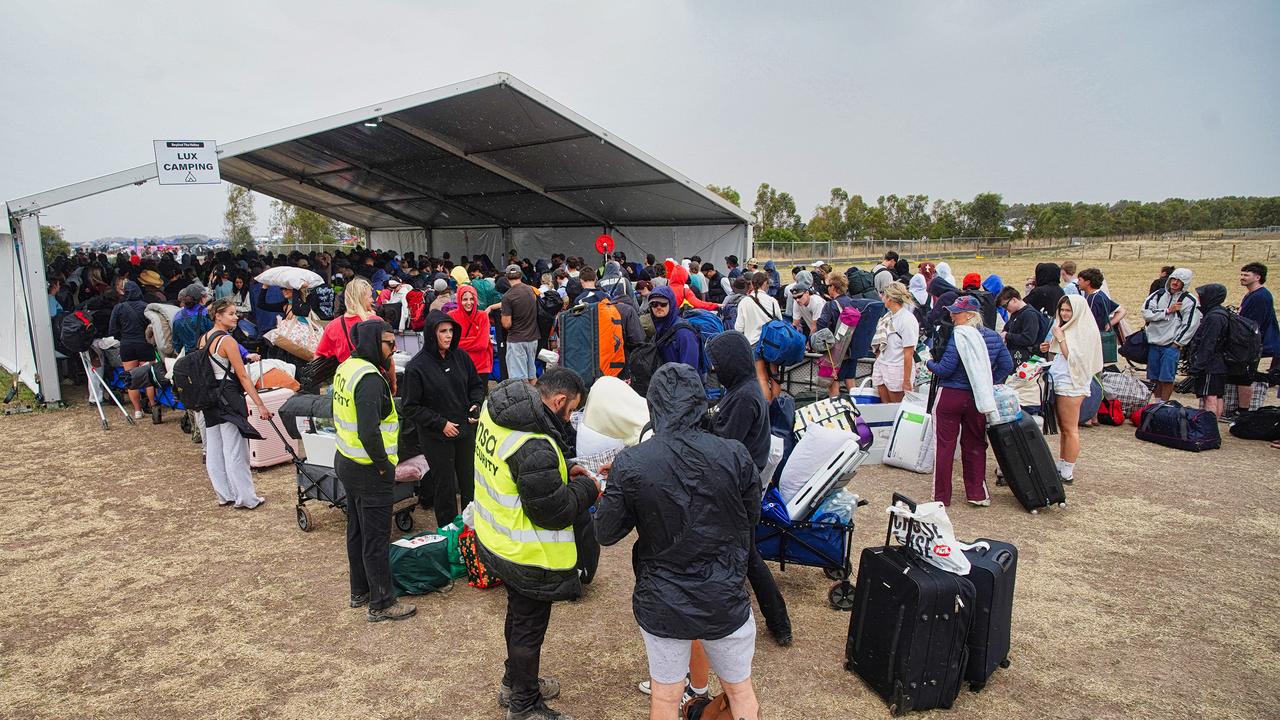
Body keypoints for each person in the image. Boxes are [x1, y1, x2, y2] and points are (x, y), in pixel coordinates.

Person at [594, 363, 762, 720]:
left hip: (665, 598)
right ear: (700, 403)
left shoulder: (633, 462)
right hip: (721, 594)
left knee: (667, 699)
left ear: (653, 406)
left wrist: (618, 489)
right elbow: (751, 519)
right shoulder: (734, 455)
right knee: (740, 692)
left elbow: (606, 531)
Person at [473, 369, 599, 720]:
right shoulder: (534, 444)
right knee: (529, 628)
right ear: (559, 401)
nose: (571, 418)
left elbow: (524, 478)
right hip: (527, 553)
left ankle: (514, 683)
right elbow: (555, 511)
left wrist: (561, 474)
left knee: (517, 617)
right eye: (572, 410)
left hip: (497, 538)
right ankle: (524, 706)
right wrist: (589, 488)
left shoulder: (497, 408)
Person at [705, 330, 793, 647]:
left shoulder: (743, 396)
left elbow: (724, 445)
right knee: (745, 555)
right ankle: (774, 621)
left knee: (748, 556)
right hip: (742, 484)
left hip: (740, 489)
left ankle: (779, 623)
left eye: (717, 363)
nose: (713, 369)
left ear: (731, 362)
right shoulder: (742, 388)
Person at [333, 318, 417, 622]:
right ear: (371, 342)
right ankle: (381, 602)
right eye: (388, 343)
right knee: (376, 537)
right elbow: (369, 432)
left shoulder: (347, 367)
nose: (393, 349)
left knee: (357, 529)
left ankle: (361, 590)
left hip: (347, 460)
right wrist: (385, 467)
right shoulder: (369, 379)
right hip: (369, 468)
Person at [925, 296, 1013, 507]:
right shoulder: (992, 337)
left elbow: (946, 368)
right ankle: (977, 493)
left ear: (970, 315)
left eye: (957, 312)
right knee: (975, 444)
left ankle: (941, 496)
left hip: (951, 393)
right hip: (978, 396)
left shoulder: (958, 336)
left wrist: (928, 363)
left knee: (944, 446)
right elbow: (1006, 364)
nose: (953, 316)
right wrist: (988, 382)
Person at [401, 311, 486, 528]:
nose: (448, 336)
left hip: (465, 431)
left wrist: (476, 404)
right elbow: (410, 406)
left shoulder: (461, 357)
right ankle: (448, 533)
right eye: (442, 331)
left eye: (451, 331)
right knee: (445, 487)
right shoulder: (417, 366)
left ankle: (471, 530)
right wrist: (440, 424)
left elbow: (476, 385)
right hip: (436, 437)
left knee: (469, 483)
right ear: (431, 333)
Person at [199, 298, 272, 510]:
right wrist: (260, 404)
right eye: (231, 314)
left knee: (215, 447)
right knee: (235, 448)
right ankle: (246, 497)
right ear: (218, 316)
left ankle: (224, 493)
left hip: (210, 398)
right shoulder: (228, 342)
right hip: (229, 395)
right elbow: (243, 375)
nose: (236, 317)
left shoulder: (203, 339)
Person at [1044, 295, 1103, 484]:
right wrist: (1050, 345)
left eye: (1068, 310)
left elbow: (1077, 360)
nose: (1064, 313)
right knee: (1064, 427)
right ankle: (1062, 464)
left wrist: (1060, 340)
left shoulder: (1085, 330)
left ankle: (1067, 469)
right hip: (1062, 379)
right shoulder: (1067, 327)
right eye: (1062, 310)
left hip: (1072, 384)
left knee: (1070, 428)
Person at [1141, 268, 1200, 401]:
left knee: (1167, 377)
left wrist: (1178, 343)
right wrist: (1167, 311)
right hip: (1154, 342)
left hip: (1171, 345)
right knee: (1153, 376)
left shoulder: (1189, 300)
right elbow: (1146, 313)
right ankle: (1156, 403)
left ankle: (1163, 404)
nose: (1175, 283)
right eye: (1173, 279)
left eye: (1179, 280)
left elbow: (1190, 324)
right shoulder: (1158, 294)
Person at [1231, 262, 1280, 420]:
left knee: (1245, 376)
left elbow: (1253, 324)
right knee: (1242, 376)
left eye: (1247, 275)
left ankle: (1243, 411)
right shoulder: (1251, 294)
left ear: (1258, 277)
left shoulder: (1261, 296)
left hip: (1253, 343)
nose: (1242, 278)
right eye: (1242, 274)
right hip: (1248, 342)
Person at [108, 281, 158, 421]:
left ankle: (137, 410)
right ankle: (153, 406)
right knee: (149, 376)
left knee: (131, 378)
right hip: (145, 344)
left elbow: (112, 329)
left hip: (127, 345)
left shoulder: (118, 308)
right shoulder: (146, 308)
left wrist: (123, 337)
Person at [734, 271, 784, 401]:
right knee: (775, 376)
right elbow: (780, 322)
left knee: (761, 377)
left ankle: (766, 410)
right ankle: (777, 407)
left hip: (754, 344)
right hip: (772, 343)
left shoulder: (745, 302)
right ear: (765, 283)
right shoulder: (772, 301)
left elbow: (738, 328)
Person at [1187, 284, 1231, 419]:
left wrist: (1197, 366)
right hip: (1218, 362)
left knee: (1210, 396)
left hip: (1211, 364)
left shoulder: (1214, 317)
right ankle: (1212, 427)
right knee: (1216, 395)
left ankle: (1209, 428)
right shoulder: (1220, 313)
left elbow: (1208, 344)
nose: (1199, 299)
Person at [872, 282, 920, 403]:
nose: (882, 298)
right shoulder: (888, 316)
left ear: (891, 298)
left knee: (895, 407)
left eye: (885, 295)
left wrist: (907, 381)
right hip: (882, 364)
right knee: (885, 406)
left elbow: (908, 353)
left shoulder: (907, 320)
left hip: (897, 368)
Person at [315, 278, 376, 364]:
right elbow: (388, 359)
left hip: (345, 375)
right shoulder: (375, 322)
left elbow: (318, 356)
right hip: (371, 374)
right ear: (361, 298)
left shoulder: (333, 326)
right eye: (370, 297)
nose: (373, 300)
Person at [501, 265, 542, 383]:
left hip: (516, 340)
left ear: (506, 277)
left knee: (519, 380)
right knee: (532, 376)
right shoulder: (531, 290)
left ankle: (525, 401)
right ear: (520, 275)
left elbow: (506, 324)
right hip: (533, 338)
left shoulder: (508, 296)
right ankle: (537, 400)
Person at [648, 287, 701, 370]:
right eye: (653, 304)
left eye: (663, 304)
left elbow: (690, 371)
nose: (658, 307)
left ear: (671, 304)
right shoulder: (659, 328)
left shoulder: (684, 333)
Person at [997, 286, 1052, 366]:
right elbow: (1006, 329)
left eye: (1005, 306)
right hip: (1018, 358)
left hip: (1027, 361)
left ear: (1014, 300)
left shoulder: (1029, 314)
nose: (1005, 309)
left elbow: (1029, 339)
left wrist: (1008, 336)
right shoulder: (1016, 313)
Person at [450, 284, 494, 380]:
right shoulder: (451, 316)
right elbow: (451, 343)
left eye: (471, 299)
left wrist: (461, 341)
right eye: (465, 299)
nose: (469, 302)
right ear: (459, 300)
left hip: (481, 367)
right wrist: (475, 339)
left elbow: (482, 344)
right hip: (460, 366)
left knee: (480, 395)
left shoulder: (483, 316)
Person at [1077, 268, 1125, 334]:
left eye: (1079, 280)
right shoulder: (1101, 295)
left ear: (1087, 282)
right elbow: (1121, 310)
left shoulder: (1095, 299)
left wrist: (1109, 324)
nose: (1077, 283)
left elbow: (1089, 322)